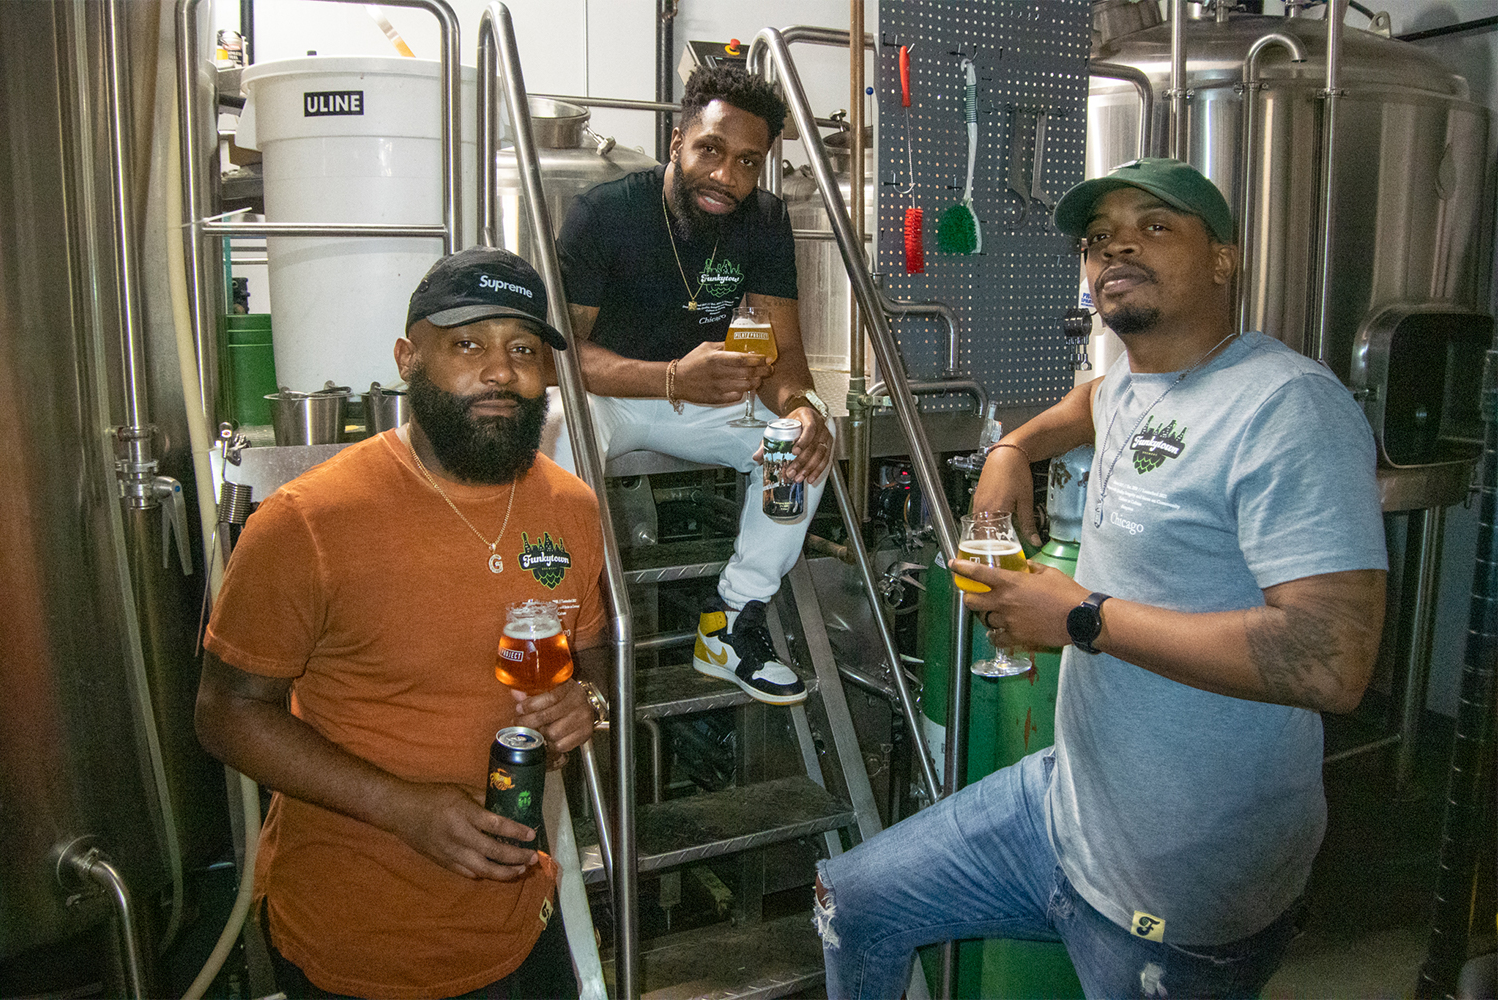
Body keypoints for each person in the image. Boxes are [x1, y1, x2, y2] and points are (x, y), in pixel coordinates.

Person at [814, 158, 1388, 999]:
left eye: (1154, 226)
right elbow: (1091, 400)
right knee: (853, 900)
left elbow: (1332, 660)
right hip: (1067, 806)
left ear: (1224, 259)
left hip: (1185, 879)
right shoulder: (1132, 379)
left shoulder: (1285, 406)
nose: (1116, 245)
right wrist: (1012, 451)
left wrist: (1082, 618)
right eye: (1098, 238)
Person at [196, 246, 609, 999]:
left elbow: (593, 651)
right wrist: (401, 807)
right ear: (406, 358)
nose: (499, 371)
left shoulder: (573, 509)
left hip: (521, 916)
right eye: (466, 345)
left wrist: (589, 703)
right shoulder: (307, 522)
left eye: (522, 348)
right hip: (358, 937)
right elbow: (225, 712)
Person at [549, 65, 834, 706]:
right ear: (677, 141)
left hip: (706, 401)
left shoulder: (763, 219)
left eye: (747, 162)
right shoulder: (606, 212)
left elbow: (786, 356)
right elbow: (555, 358)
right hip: (608, 396)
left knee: (807, 439)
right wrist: (673, 376)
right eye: (710, 149)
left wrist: (803, 406)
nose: (726, 176)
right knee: (555, 428)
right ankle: (554, 622)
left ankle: (732, 621)